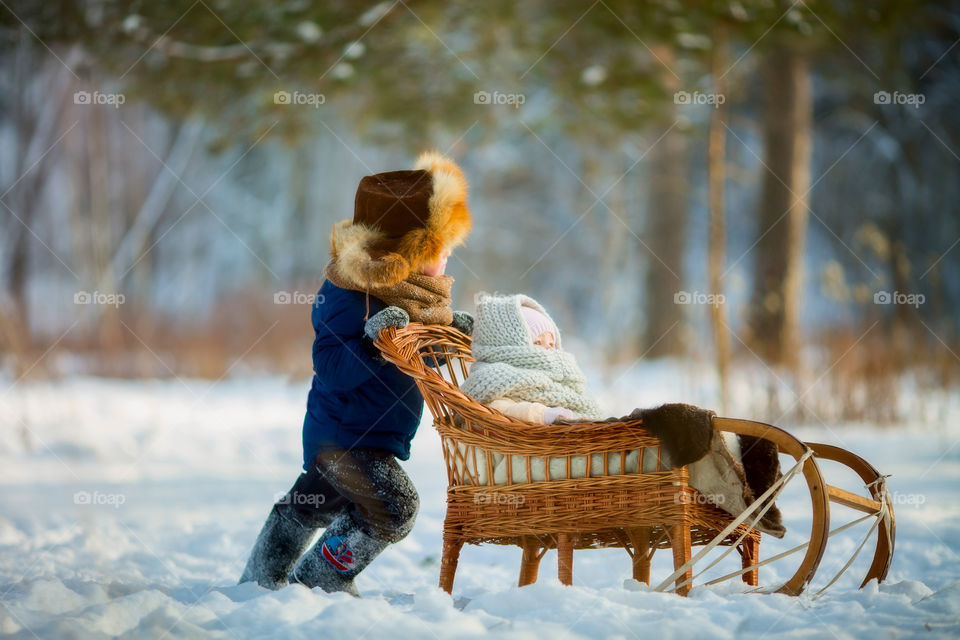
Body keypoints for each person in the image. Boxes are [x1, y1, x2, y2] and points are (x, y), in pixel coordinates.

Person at [239, 152, 475, 596]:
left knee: (312, 502)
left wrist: (442, 344)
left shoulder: (416, 297)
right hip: (343, 436)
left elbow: (410, 358)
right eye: (435, 248)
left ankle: (261, 578)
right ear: (402, 252)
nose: (445, 258)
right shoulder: (348, 294)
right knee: (393, 508)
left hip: (374, 434)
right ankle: (319, 578)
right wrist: (372, 344)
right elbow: (330, 365)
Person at [460, 293, 786, 537]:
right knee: (654, 441)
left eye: (551, 341)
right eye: (537, 341)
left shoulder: (559, 378)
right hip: (535, 460)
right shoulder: (496, 376)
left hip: (571, 446)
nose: (547, 349)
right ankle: (720, 461)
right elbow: (495, 412)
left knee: (662, 425)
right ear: (510, 344)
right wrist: (542, 413)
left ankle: (736, 455)